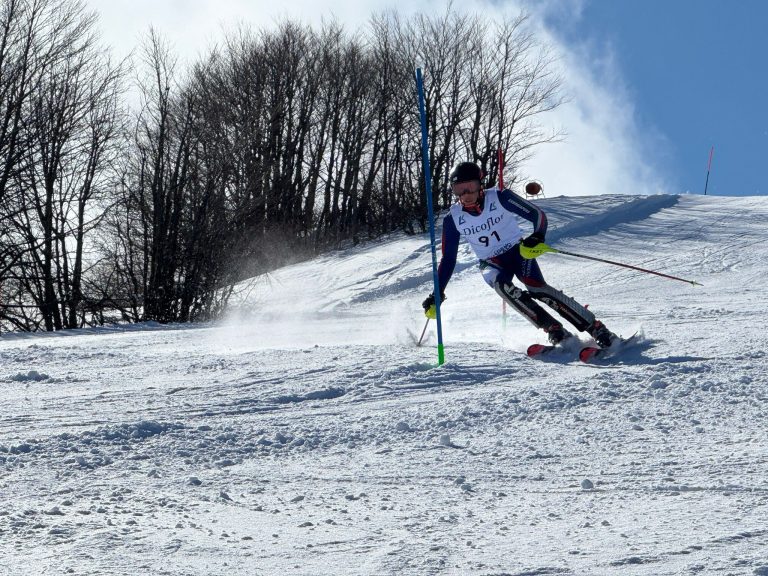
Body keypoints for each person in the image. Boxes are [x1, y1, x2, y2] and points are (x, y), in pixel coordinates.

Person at [422, 161, 618, 348]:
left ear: (480, 184)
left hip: (518, 251)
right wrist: (437, 292)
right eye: (459, 189)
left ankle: (597, 328)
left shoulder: (499, 197)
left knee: (538, 290)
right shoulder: (453, 218)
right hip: (491, 262)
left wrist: (538, 235)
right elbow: (448, 259)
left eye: (470, 187)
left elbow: (537, 214)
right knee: (502, 286)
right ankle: (553, 328)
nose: (466, 194)